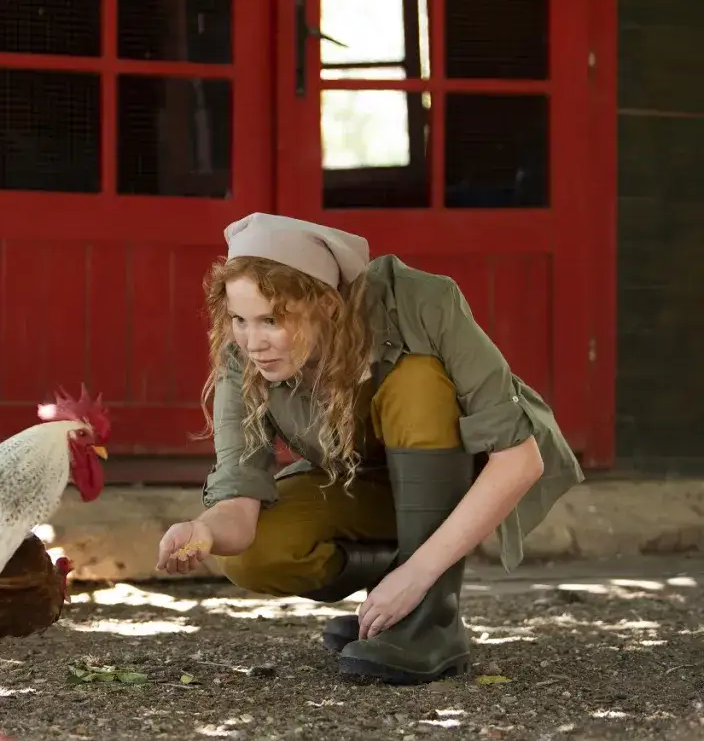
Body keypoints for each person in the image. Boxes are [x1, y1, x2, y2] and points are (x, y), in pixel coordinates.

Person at [156, 213, 583, 684]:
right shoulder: (243, 357)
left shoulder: (421, 302)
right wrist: (203, 532)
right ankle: (393, 606)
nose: (253, 342)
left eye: (272, 321)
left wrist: (418, 577)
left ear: (327, 307)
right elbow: (239, 503)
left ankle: (430, 621)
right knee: (252, 554)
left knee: (417, 381)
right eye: (240, 320)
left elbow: (520, 460)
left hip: (464, 481)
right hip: (366, 486)